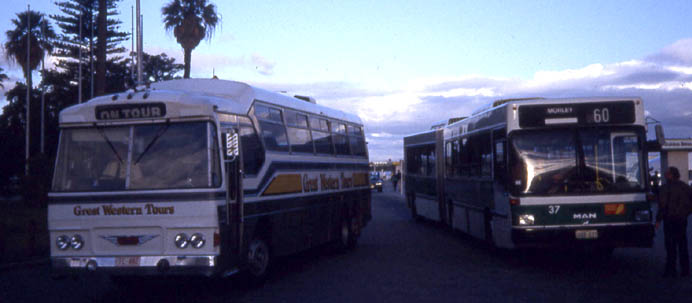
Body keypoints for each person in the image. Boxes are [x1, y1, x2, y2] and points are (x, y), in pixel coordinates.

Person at [655, 166, 692, 277]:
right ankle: (685, 270)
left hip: (669, 220)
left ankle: (671, 270)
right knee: (682, 244)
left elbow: (662, 205)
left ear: (671, 175)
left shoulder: (665, 188)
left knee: (670, 246)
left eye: (667, 173)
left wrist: (658, 220)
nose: (665, 175)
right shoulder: (685, 187)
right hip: (681, 219)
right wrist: (686, 213)